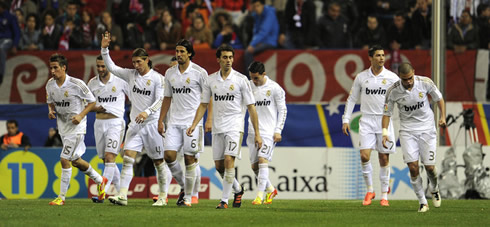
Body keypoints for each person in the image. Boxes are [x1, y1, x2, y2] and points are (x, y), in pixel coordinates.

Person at [187, 44, 263, 209]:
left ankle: (224, 201)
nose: (228, 61)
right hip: (217, 127)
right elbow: (203, 104)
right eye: (225, 58)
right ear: (218, 60)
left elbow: (251, 107)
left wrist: (257, 133)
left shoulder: (241, 80)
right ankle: (238, 189)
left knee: (229, 160)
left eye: (230, 57)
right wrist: (194, 124)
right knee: (219, 167)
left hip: (235, 126)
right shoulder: (211, 80)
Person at [100, 32, 169, 207]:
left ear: (147, 60)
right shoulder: (130, 75)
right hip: (135, 126)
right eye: (134, 62)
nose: (136, 65)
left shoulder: (157, 79)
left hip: (152, 125)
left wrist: (147, 112)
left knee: (159, 162)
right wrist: (104, 48)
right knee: (128, 157)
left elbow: (160, 100)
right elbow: (112, 67)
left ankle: (163, 196)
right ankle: (122, 195)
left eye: (139, 62)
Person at [45, 53, 107, 205]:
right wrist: (50, 110)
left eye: (55, 68)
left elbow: (92, 102)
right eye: (51, 68)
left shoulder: (76, 84)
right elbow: (50, 101)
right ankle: (100, 180)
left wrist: (80, 116)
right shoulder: (50, 84)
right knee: (76, 161)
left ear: (64, 67)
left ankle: (61, 197)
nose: (52, 71)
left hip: (77, 128)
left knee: (64, 159)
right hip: (63, 127)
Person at [382, 62, 445, 212]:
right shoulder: (393, 91)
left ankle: (434, 188)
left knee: (430, 167)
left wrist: (442, 116)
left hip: (427, 130)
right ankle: (423, 202)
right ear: (400, 78)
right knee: (413, 167)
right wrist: (384, 133)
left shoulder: (425, 82)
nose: (408, 82)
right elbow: (386, 113)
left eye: (410, 78)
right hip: (407, 131)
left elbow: (439, 98)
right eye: (405, 79)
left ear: (414, 73)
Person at [342, 45, 399, 207]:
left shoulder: (392, 77)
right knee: (364, 156)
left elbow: (401, 95)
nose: (381, 58)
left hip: (384, 121)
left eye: (383, 55)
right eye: (378, 55)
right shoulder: (361, 77)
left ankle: (384, 196)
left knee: (383, 157)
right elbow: (352, 99)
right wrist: (345, 119)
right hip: (366, 120)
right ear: (370, 58)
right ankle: (370, 190)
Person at [157, 39, 208, 206]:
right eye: (177, 51)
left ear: (190, 53)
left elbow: (207, 99)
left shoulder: (200, 73)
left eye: (182, 52)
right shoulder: (170, 73)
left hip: (192, 123)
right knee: (169, 156)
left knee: (189, 159)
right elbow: (167, 98)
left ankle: (188, 197)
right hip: (174, 122)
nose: (178, 54)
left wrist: (200, 122)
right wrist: (160, 120)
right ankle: (185, 188)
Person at [87, 55, 129, 202]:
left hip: (115, 123)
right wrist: (97, 108)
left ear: (109, 66)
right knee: (106, 160)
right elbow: (86, 106)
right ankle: (120, 194)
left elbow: (134, 98)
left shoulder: (120, 80)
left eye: (103, 66)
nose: (100, 69)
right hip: (99, 123)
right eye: (98, 66)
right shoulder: (92, 83)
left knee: (111, 157)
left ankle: (102, 193)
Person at [247, 61, 287, 205]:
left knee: (263, 160)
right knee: (254, 166)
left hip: (269, 132)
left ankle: (259, 196)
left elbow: (283, 110)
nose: (254, 81)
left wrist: (278, 130)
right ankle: (271, 189)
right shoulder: (248, 86)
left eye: (256, 78)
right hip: (252, 131)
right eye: (252, 77)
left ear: (264, 74)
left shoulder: (275, 88)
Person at [244, 0, 279, 77]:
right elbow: (256, 31)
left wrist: (253, 44)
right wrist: (255, 42)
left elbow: (264, 31)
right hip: (261, 41)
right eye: (255, 6)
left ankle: (251, 78)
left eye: (258, 6)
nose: (256, 8)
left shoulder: (269, 13)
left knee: (248, 52)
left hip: (270, 41)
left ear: (263, 5)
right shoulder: (256, 15)